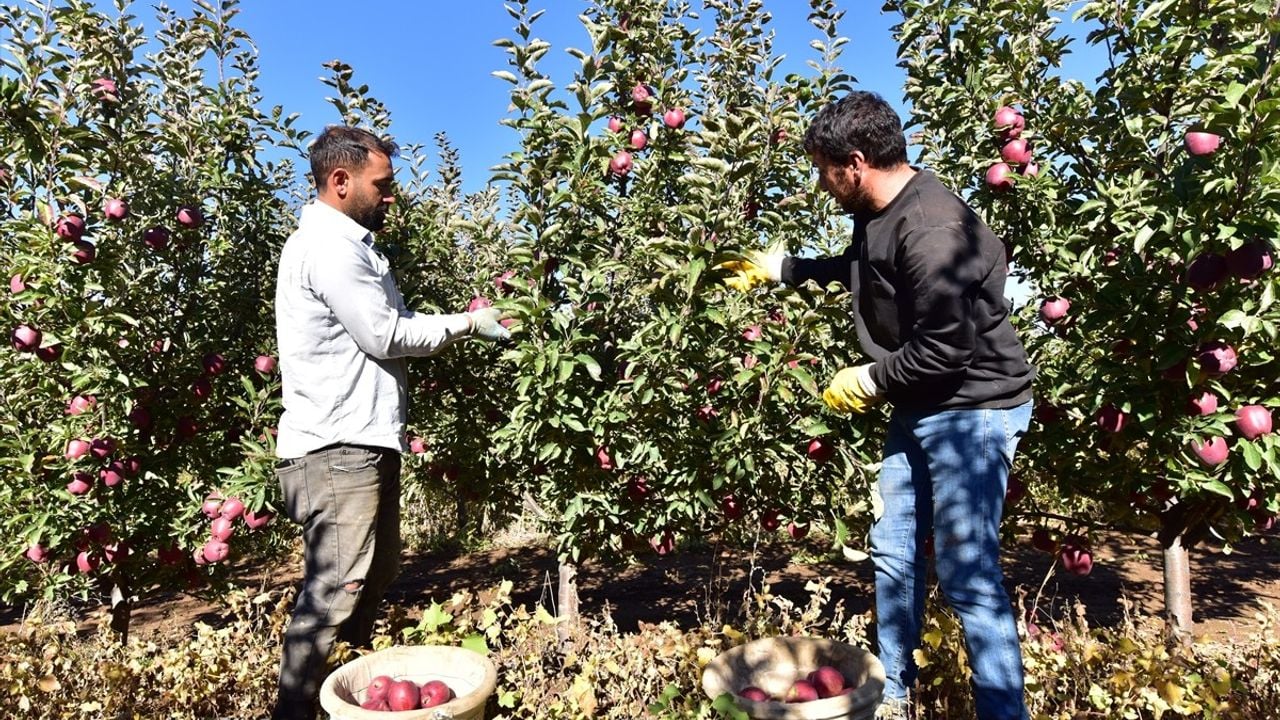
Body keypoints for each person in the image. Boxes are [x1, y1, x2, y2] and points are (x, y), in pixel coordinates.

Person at [725, 92, 1035, 720]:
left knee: (968, 573)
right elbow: (864, 268)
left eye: (824, 170)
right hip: (922, 405)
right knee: (892, 550)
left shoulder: (930, 226)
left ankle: (1004, 714)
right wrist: (787, 270)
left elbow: (947, 347)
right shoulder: (882, 211)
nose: (822, 183)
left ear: (856, 162)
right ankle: (893, 694)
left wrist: (872, 377)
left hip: (973, 409)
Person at [270, 125, 509, 720]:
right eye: (383, 184)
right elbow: (386, 334)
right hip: (336, 448)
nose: (391, 195)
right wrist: (465, 323)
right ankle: (297, 713)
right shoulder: (329, 247)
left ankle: (349, 705)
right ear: (341, 180)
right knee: (334, 593)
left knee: (370, 577)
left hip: (358, 444)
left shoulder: (350, 245)